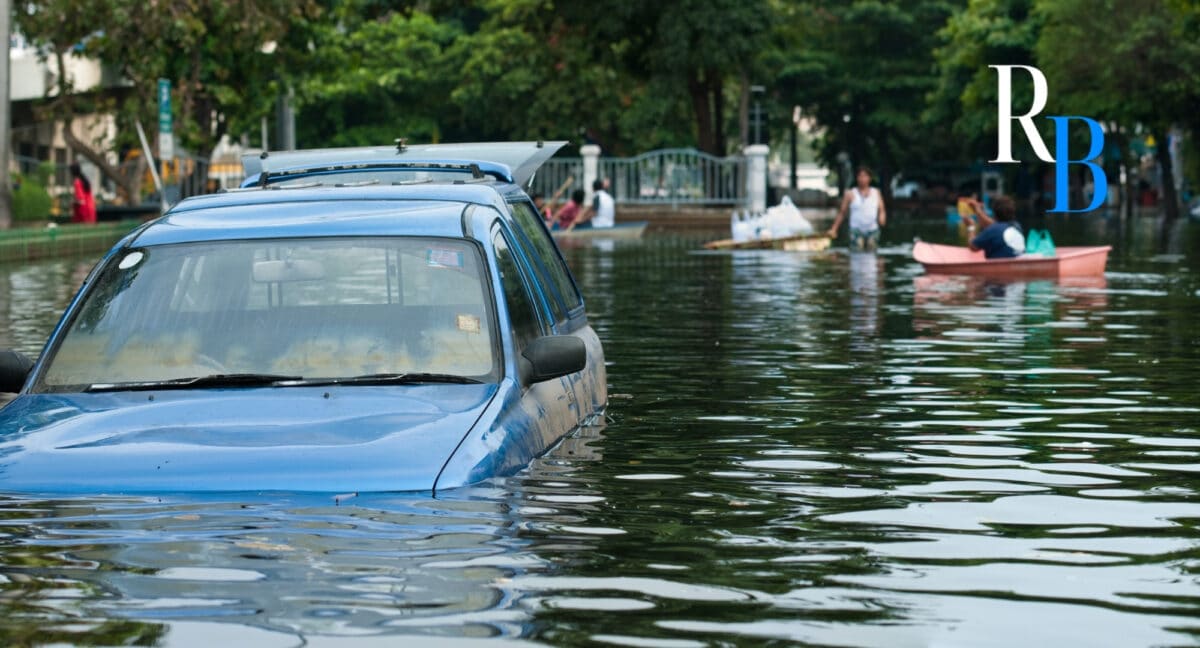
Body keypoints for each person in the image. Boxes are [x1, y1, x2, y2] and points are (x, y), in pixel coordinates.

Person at [827, 166, 886, 250]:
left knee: (872, 251)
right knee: (857, 250)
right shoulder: (850, 193)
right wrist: (834, 229)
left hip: (872, 229)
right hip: (856, 230)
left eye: (865, 176)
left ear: (870, 178)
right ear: (857, 178)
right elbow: (842, 213)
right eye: (860, 176)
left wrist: (882, 218)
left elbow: (882, 209)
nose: (862, 179)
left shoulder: (876, 192)